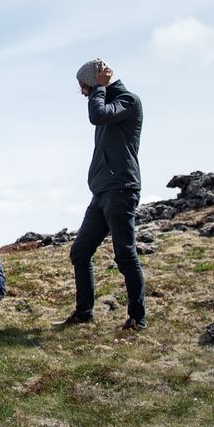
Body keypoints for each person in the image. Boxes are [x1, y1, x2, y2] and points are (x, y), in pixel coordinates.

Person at [62, 58, 146, 330]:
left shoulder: (128, 101)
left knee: (125, 254)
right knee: (80, 251)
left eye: (84, 86)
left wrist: (99, 88)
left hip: (121, 188)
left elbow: (97, 115)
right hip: (102, 191)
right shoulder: (107, 101)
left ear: (95, 81)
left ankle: (137, 318)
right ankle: (84, 312)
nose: (83, 92)